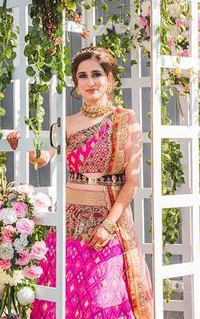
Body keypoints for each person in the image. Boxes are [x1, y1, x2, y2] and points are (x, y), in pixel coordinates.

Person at [29, 46, 153, 318]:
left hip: (108, 220)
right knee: (64, 295)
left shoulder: (125, 119)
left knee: (103, 298)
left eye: (96, 74)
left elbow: (131, 181)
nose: (89, 82)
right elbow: (42, 157)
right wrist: (24, 144)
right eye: (82, 76)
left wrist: (109, 224)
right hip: (69, 222)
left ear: (110, 78)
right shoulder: (66, 124)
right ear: (76, 83)